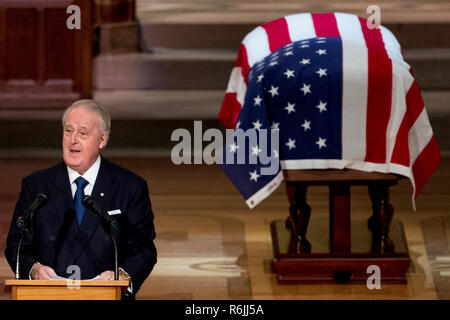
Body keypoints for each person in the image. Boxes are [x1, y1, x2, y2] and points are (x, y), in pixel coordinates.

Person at [4, 99, 157, 298]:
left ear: (102, 140)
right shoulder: (36, 185)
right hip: (47, 294)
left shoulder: (130, 187)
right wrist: (34, 269)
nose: (73, 140)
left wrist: (121, 276)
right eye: (68, 131)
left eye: (83, 133)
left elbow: (144, 248)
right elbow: (17, 242)